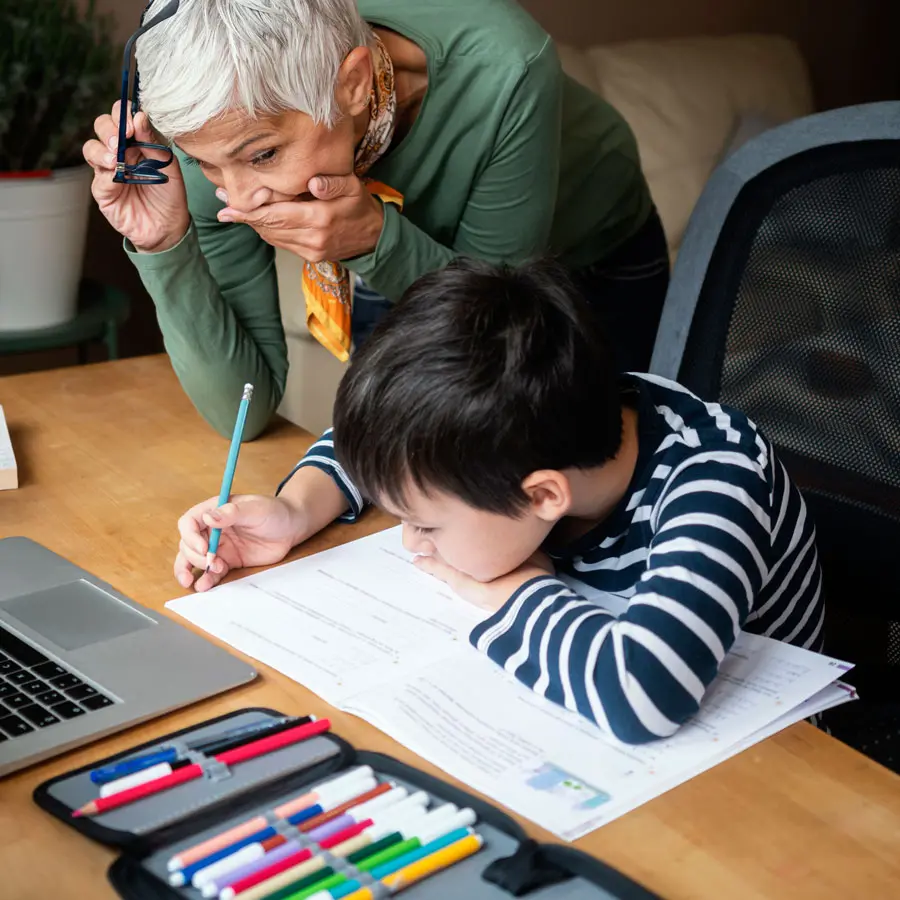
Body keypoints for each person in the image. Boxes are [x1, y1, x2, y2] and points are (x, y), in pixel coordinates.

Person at [173, 259, 824, 744]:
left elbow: (642, 695)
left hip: (766, 770)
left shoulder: (715, 476)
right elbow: (371, 440)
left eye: (425, 524)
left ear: (543, 495)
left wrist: (515, 596)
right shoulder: (529, 429)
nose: (411, 543)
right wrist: (295, 511)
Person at [83, 0, 668, 440]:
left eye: (262, 156)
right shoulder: (219, 133)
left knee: (601, 460)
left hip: (593, 245)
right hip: (412, 262)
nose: (239, 198)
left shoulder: (507, 65)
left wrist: (374, 239)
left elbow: (499, 335)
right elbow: (245, 412)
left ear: (354, 85)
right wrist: (164, 244)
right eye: (207, 164)